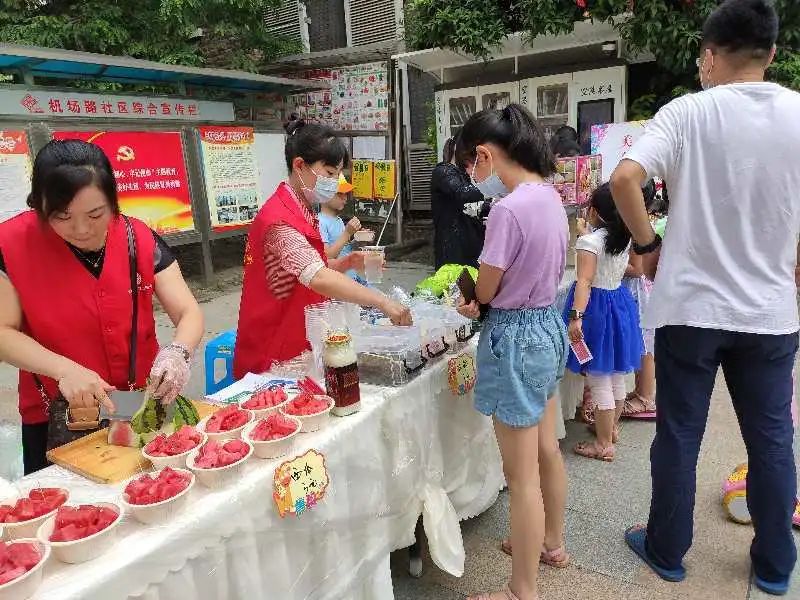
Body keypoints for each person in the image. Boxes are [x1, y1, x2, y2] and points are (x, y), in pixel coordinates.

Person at [610, 0, 800, 594]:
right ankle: (774, 563)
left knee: (680, 433)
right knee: (771, 439)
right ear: (771, 54)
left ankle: (667, 548)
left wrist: (646, 245)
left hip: (690, 308)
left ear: (711, 55)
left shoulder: (686, 113)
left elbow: (623, 179)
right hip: (770, 310)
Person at [0, 139, 204, 474]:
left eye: (95, 214)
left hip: (136, 404)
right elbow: (3, 331)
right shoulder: (10, 245)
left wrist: (178, 351)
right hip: (58, 413)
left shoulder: (139, 238)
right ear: (39, 205)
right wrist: (64, 370)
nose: (81, 229)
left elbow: (188, 312)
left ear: (113, 200)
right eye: (61, 216)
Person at [456, 103, 569, 600]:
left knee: (519, 478)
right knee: (547, 450)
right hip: (547, 331)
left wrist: (473, 296)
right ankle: (551, 543)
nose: (474, 175)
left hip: (515, 340)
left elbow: (486, 289)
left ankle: (522, 589)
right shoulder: (549, 197)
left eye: (472, 164)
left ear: (485, 155)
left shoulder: (507, 209)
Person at [234, 120, 411, 378]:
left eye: (339, 173)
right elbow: (315, 275)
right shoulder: (278, 220)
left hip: (297, 338)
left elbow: (305, 266)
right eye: (330, 173)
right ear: (299, 166)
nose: (336, 181)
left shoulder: (302, 209)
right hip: (273, 351)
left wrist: (346, 262)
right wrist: (382, 302)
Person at [564, 184, 643, 461]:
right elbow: (632, 269)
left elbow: (584, 281)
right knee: (616, 375)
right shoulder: (623, 237)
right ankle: (611, 430)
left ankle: (603, 445)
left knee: (598, 379)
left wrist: (576, 317)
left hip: (595, 309)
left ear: (594, 211)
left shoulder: (589, 243)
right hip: (619, 303)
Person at [619, 179, 660, 420]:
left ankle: (645, 397)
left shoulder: (636, 223)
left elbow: (637, 268)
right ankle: (640, 392)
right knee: (643, 343)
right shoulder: (640, 219)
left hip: (637, 291)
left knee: (644, 346)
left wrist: (608, 263)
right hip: (641, 290)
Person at [431, 136, 486, 269]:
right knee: (454, 286)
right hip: (452, 249)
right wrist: (495, 184)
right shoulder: (443, 172)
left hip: (470, 247)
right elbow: (464, 194)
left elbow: (473, 207)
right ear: (457, 148)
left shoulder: (463, 175)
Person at [318, 174, 368, 284]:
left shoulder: (338, 220)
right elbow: (327, 256)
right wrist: (347, 233)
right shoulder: (320, 222)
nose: (345, 197)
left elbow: (344, 249)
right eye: (339, 193)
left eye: (346, 194)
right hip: (338, 281)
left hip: (351, 277)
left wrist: (358, 241)